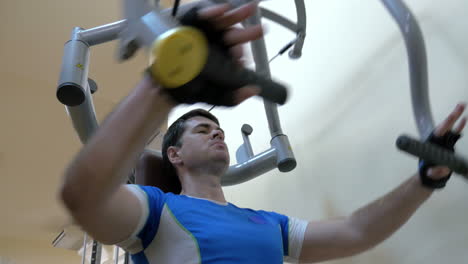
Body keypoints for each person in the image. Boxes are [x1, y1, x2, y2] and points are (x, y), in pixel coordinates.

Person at [58, 2, 467, 264]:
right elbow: (83, 197)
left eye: (218, 128)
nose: (217, 134)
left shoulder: (268, 223)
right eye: (203, 130)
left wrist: (423, 181)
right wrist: (164, 86)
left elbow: (357, 231)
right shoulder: (154, 211)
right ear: (175, 156)